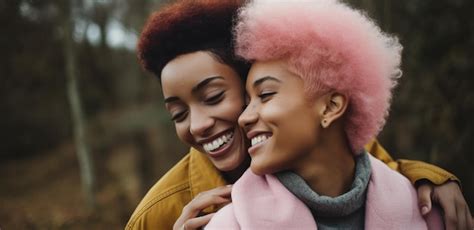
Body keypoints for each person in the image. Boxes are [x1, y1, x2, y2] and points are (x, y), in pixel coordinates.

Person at [126, 0, 471, 229]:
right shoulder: (156, 213)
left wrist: (430, 177)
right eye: (177, 114)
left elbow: (375, 176)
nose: (198, 125)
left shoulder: (339, 147)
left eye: (214, 97)